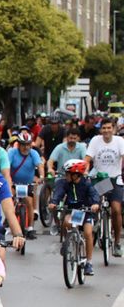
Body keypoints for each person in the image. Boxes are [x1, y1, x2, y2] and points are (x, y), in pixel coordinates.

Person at [48, 158, 100, 275]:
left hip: (86, 212)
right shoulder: (64, 183)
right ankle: (68, 242)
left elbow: (94, 194)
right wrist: (54, 202)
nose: (66, 175)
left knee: (87, 232)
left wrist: (95, 204)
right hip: (72, 211)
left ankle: (89, 263)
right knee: (66, 222)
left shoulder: (86, 184)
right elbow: (59, 193)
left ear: (76, 174)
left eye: (68, 173)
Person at [86, 118, 124, 256]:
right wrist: (83, 170)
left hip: (115, 179)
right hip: (101, 179)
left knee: (116, 209)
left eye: (109, 128)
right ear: (100, 129)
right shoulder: (95, 140)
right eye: (104, 128)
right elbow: (87, 158)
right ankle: (95, 225)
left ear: (113, 129)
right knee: (95, 205)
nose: (106, 131)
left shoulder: (119, 141)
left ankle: (117, 242)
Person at [7, 133, 44, 237]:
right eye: (23, 144)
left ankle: (31, 228)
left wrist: (41, 177)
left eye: (28, 144)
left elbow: (40, 165)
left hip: (27, 184)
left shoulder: (33, 153)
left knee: (29, 202)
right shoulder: (12, 152)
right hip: (13, 183)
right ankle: (9, 219)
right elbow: (7, 166)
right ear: (18, 144)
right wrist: (7, 179)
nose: (26, 147)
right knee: (9, 199)